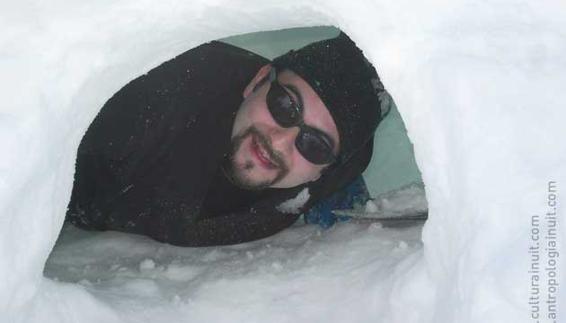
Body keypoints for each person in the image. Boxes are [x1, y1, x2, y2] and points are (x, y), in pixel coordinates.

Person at [66, 32, 386, 246]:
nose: (279, 141)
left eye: (315, 144)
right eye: (285, 105)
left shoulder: (340, 166)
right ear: (258, 81)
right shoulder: (145, 106)